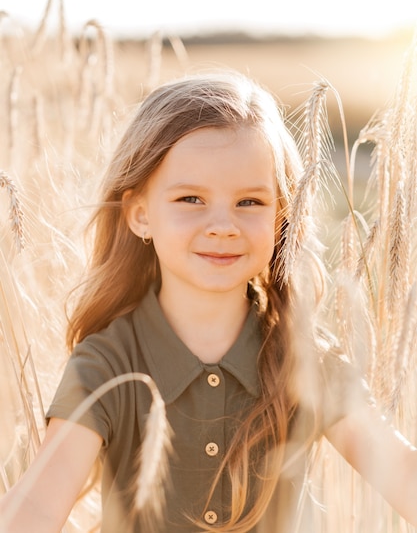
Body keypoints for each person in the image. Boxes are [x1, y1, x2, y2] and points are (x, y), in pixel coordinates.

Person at [1, 71, 417, 533]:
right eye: (192, 198)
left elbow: (399, 470)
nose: (222, 225)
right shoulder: (109, 364)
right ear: (141, 215)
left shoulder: (303, 358)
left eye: (250, 203)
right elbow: (37, 505)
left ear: (283, 215)